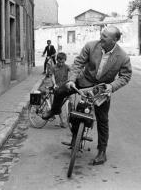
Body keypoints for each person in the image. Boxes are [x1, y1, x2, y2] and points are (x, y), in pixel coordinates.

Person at [43, 26, 132, 165]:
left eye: (105, 36)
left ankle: (102, 152)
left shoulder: (123, 57)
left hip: (101, 90)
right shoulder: (90, 46)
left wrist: (111, 86)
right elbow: (78, 63)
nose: (101, 37)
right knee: (60, 91)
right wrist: (72, 79)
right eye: (101, 34)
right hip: (84, 81)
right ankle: (55, 110)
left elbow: (125, 76)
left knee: (103, 120)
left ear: (114, 40)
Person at [51, 52, 70, 128]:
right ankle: (63, 121)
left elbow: (73, 72)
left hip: (65, 87)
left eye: (63, 62)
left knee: (66, 103)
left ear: (65, 60)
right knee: (58, 105)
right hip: (57, 88)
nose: (61, 64)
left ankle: (65, 120)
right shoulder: (54, 67)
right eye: (59, 62)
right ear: (57, 60)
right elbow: (52, 76)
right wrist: (54, 84)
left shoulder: (67, 67)